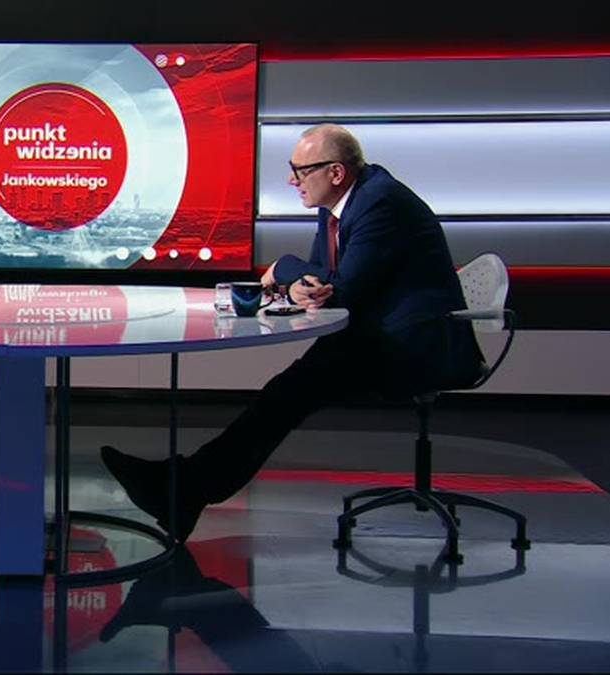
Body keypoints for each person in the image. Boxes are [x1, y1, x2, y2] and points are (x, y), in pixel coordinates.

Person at [102, 124, 484, 542]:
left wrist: (284, 268)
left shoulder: (380, 202)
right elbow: (323, 278)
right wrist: (300, 284)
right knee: (288, 390)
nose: (291, 180)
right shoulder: (338, 204)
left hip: (421, 348)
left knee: (290, 391)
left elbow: (342, 288)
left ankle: (183, 489)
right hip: (378, 336)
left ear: (336, 173)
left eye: (301, 171)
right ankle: (183, 490)